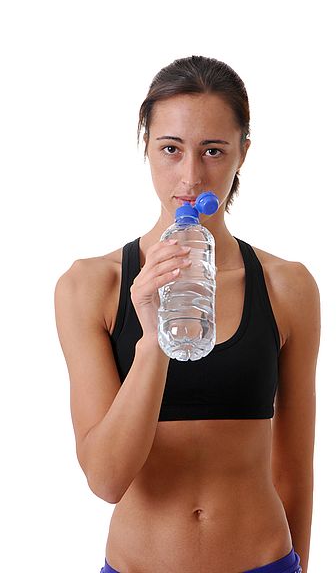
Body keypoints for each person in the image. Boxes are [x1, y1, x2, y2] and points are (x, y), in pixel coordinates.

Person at [54, 55, 320, 573]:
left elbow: (295, 469)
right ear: (146, 146)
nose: (191, 175)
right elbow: (106, 479)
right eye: (170, 149)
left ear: (243, 152)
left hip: (263, 561)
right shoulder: (91, 286)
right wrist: (152, 335)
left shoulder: (287, 287)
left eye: (213, 151)